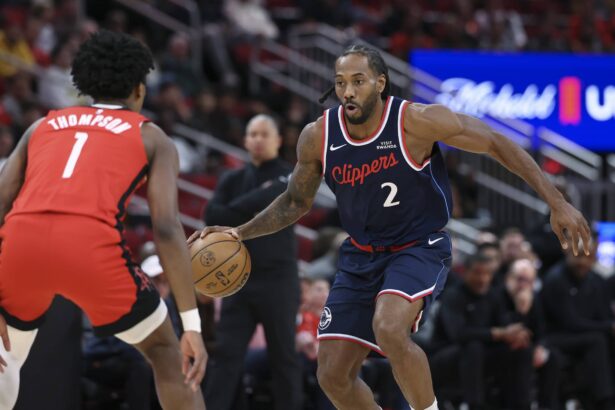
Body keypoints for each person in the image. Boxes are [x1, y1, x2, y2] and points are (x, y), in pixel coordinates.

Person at [190, 44, 591, 410]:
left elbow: (494, 142)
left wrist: (557, 202)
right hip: (360, 255)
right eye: (340, 82)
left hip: (418, 246)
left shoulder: (415, 122)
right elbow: (296, 201)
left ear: (380, 84)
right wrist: (239, 233)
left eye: (358, 81)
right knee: (331, 375)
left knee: (389, 327)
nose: (347, 91)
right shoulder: (318, 136)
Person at [0, 31, 206, 410]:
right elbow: (164, 226)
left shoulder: (41, 125)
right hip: (89, 247)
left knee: (6, 361)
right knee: (166, 351)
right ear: (139, 89)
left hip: (21, 243)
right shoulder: (152, 137)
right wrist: (192, 325)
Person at [202, 114, 302, 410]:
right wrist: (258, 203)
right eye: (253, 134)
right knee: (225, 358)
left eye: (264, 134)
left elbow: (279, 200)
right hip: (237, 281)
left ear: (278, 140)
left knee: (284, 358)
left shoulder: (290, 174)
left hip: (279, 280)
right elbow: (211, 216)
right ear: (245, 140)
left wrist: (236, 212)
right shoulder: (232, 178)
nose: (258, 139)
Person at [429, 253, 533, 409]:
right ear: (465, 272)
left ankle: (521, 404)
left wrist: (516, 331)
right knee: (473, 347)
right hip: (444, 356)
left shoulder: (493, 296)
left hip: (480, 355)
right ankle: (475, 405)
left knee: (521, 348)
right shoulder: (453, 295)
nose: (482, 279)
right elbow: (458, 334)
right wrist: (498, 333)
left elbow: (504, 326)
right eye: (477, 273)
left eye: (487, 274)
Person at [541, 239, 615, 409]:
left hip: (584, 335)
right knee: (598, 340)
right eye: (579, 256)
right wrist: (608, 327)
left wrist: (610, 326)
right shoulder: (555, 279)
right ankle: (605, 400)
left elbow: (602, 315)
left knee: (606, 339)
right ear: (568, 254)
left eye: (588, 257)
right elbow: (569, 322)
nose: (583, 261)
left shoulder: (596, 280)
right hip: (556, 336)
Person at [499, 259, 561, 410]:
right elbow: (502, 328)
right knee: (524, 353)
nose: (523, 285)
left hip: (527, 348)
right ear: (509, 278)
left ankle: (547, 405)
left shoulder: (535, 298)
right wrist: (521, 312)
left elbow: (542, 331)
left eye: (529, 281)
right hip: (500, 347)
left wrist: (540, 347)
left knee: (553, 356)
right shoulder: (498, 295)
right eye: (520, 279)